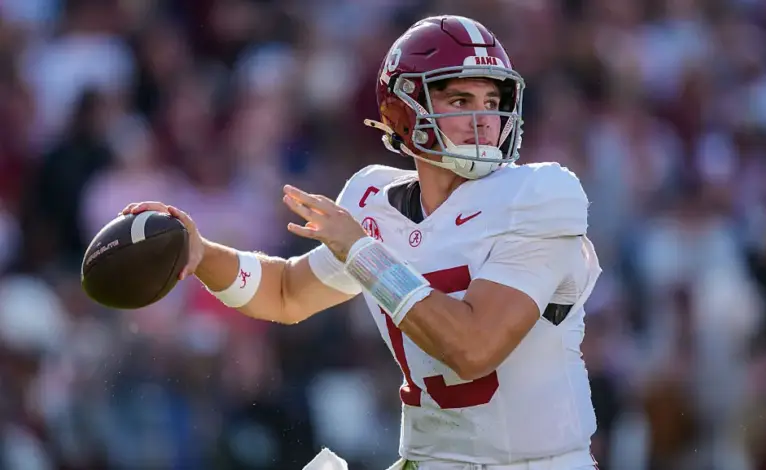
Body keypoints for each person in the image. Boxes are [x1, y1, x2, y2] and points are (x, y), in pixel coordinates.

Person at [122, 15, 602, 470]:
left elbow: (473, 349)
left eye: (492, 101)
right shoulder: (375, 201)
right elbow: (286, 292)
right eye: (460, 101)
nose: (484, 119)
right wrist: (203, 253)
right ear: (404, 110)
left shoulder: (539, 194)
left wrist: (360, 251)